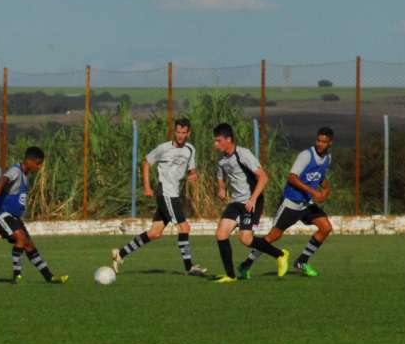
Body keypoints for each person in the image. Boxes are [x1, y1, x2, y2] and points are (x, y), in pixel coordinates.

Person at [110, 118, 206, 276]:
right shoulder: (163, 148)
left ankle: (120, 254)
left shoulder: (190, 149)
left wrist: (193, 176)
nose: (180, 135)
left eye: (184, 132)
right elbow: (146, 162)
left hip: (174, 194)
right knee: (184, 228)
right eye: (178, 132)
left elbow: (192, 171)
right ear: (174, 132)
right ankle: (190, 268)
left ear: (188, 133)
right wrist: (147, 186)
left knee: (155, 232)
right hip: (165, 193)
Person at [238, 128, 335, 278]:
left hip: (306, 204)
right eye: (318, 140)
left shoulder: (328, 158)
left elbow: (320, 176)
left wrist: (326, 189)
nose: (320, 144)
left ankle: (302, 261)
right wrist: (314, 192)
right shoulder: (306, 155)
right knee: (272, 237)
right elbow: (292, 178)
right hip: (291, 203)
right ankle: (246, 264)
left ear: (330, 143)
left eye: (324, 142)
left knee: (326, 227)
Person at [211, 123, 289, 284]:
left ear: (228, 139)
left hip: (251, 202)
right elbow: (220, 176)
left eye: (218, 141)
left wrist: (253, 199)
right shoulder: (221, 159)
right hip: (236, 202)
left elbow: (263, 177)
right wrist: (221, 188)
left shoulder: (243, 154)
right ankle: (230, 276)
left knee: (245, 239)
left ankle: (280, 255)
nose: (215, 144)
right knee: (221, 234)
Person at [0, 147, 69, 285]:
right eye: (38, 163)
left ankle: (49, 277)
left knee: (29, 245)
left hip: (13, 217)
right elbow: (4, 179)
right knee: (21, 239)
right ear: (28, 160)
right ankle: (16, 276)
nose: (39, 166)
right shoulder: (16, 171)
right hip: (1, 214)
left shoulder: (24, 176)